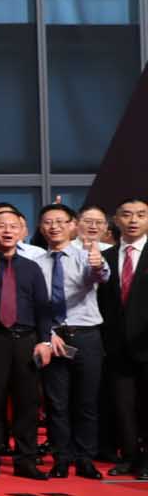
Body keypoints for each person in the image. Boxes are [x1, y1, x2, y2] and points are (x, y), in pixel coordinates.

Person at [0, 209, 53, 480]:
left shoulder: (31, 267)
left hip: (25, 340)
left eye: (13, 226)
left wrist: (44, 341)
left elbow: (42, 308)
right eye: (1, 226)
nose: (7, 231)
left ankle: (26, 460)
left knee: (27, 403)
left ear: (22, 231)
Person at [99, 198, 147, 477]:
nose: (133, 220)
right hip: (116, 346)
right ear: (116, 220)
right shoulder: (105, 257)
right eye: (127, 215)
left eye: (140, 215)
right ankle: (129, 457)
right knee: (123, 406)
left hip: (147, 343)